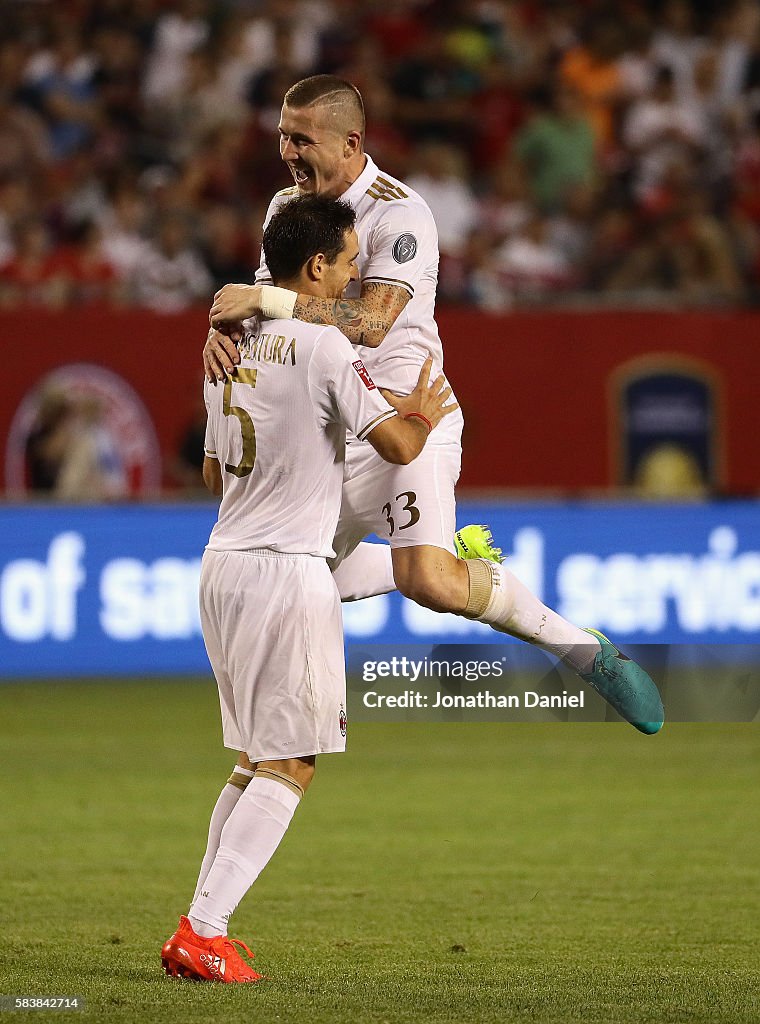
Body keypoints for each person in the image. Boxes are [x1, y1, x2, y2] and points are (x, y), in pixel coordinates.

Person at [204, 75, 664, 735]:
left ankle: (588, 654)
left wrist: (265, 303)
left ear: (350, 142)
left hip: (408, 417)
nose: (287, 151)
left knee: (431, 582)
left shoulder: (400, 213)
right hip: (328, 431)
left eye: (301, 139)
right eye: (282, 135)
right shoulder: (286, 207)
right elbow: (261, 306)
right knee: (292, 575)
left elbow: (370, 323)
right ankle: (436, 559)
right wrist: (222, 340)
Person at [161, 194, 457, 983]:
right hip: (287, 573)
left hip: (222, 563)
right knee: (291, 763)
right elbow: (393, 441)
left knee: (254, 758)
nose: (357, 276)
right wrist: (423, 414)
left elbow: (211, 469)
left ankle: (200, 922)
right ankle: (204, 929)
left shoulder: (227, 346)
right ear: (317, 265)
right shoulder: (323, 347)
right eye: (351, 263)